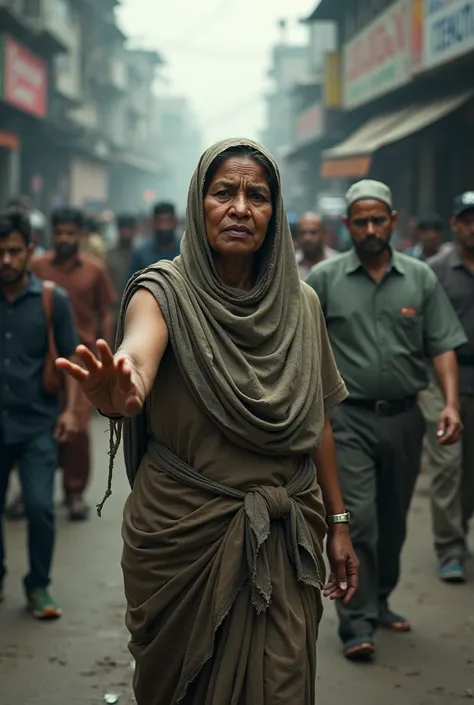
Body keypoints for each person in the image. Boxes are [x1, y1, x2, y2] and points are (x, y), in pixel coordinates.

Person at [57, 139, 359, 705]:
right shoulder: (162, 291)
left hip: (284, 534)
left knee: (283, 685)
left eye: (257, 195)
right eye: (224, 192)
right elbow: (139, 357)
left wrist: (338, 521)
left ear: (276, 213)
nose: (240, 208)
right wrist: (123, 388)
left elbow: (315, 419)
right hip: (182, 536)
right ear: (199, 204)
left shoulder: (304, 305)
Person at [306, 179, 466, 662]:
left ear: (394, 222)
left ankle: (381, 599)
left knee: (394, 521)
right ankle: (355, 621)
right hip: (347, 420)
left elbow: (441, 345)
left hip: (405, 417)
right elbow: (301, 348)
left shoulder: (420, 277)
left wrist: (452, 404)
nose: (371, 229)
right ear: (347, 225)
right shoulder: (325, 280)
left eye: (379, 220)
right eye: (361, 222)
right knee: (361, 520)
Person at [0, 209, 79, 618]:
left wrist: (69, 412)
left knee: (39, 507)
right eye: (0, 253)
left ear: (30, 251)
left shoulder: (52, 300)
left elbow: (70, 361)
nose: (6, 261)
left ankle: (38, 587)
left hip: (37, 424)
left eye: (14, 252)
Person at [30, 207, 117, 520]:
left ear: (80, 235)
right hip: (43, 356)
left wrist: (107, 353)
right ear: (52, 234)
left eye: (70, 232)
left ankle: (75, 492)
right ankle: (30, 490)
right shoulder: (36, 266)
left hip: (81, 357)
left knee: (78, 427)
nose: (64, 238)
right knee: (37, 421)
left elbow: (103, 312)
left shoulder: (94, 270)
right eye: (59, 232)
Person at [419, 192, 474, 583]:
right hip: (443, 383)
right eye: (466, 220)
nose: (472, 227)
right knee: (448, 466)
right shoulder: (435, 270)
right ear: (454, 225)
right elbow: (422, 331)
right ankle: (450, 548)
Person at [127, 202, 180, 278]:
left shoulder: (184, 251)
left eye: (166, 221)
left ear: (174, 222)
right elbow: (131, 283)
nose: (163, 226)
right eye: (159, 221)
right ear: (153, 223)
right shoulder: (141, 253)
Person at [106, 214, 138, 332]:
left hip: (136, 308)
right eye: (123, 229)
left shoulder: (140, 254)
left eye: (129, 229)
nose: (126, 233)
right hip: (114, 309)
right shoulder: (108, 255)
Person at [296, 212, 337, 279]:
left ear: (323, 233)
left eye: (313, 232)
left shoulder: (336, 261)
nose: (307, 238)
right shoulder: (291, 264)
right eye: (302, 233)